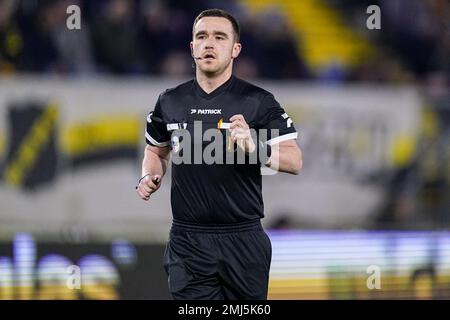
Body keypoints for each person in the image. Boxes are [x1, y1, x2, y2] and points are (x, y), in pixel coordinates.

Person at [136, 8, 303, 300]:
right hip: (188, 241)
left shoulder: (258, 102)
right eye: (201, 36)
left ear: (235, 49)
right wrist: (149, 175)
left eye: (219, 37)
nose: (209, 43)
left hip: (243, 239)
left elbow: (294, 160)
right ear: (192, 47)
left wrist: (255, 147)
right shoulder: (170, 101)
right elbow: (156, 150)